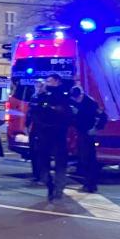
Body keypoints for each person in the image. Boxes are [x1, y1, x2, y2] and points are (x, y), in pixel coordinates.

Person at [28, 73, 74, 201]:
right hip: (44, 134)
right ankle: (49, 185)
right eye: (46, 81)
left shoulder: (64, 95)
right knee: (43, 162)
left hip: (58, 134)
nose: (47, 83)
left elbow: (68, 115)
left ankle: (58, 188)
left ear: (57, 81)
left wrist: (55, 111)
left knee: (60, 162)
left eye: (49, 81)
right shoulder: (42, 96)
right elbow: (34, 112)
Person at [70, 85, 107, 193]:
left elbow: (103, 117)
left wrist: (96, 128)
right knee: (83, 160)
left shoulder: (91, 103)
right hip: (81, 134)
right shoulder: (76, 102)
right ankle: (87, 183)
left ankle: (91, 184)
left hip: (89, 134)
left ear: (81, 94)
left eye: (77, 98)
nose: (76, 100)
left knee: (89, 160)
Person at [27, 80, 47, 185]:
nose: (38, 88)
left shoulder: (46, 97)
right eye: (37, 86)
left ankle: (43, 177)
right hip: (33, 129)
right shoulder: (34, 97)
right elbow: (29, 112)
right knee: (33, 153)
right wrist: (27, 125)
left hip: (42, 130)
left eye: (40, 86)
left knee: (41, 154)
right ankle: (36, 175)